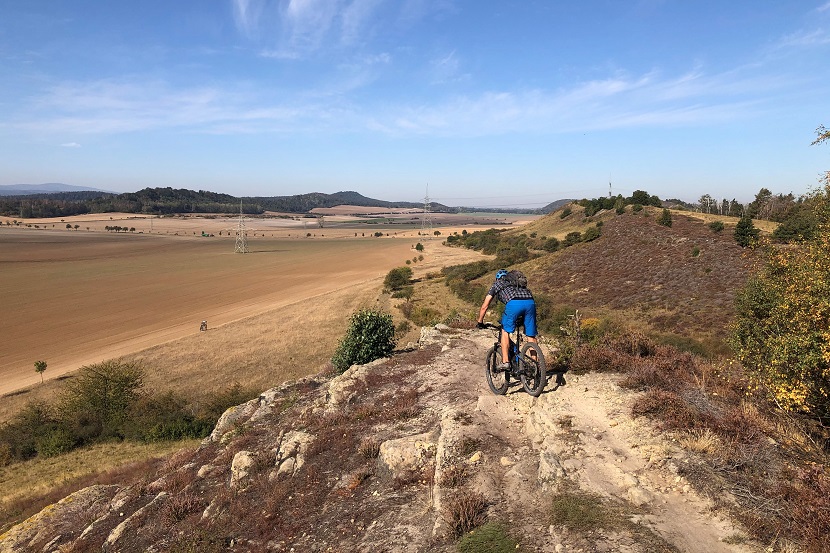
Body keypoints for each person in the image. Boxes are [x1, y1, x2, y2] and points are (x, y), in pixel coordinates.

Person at [477, 269, 538, 371]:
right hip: (530, 301)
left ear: (497, 279)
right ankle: (536, 366)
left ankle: (506, 362)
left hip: (514, 304)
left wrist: (480, 321)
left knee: (504, 331)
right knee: (530, 336)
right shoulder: (514, 283)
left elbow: (485, 306)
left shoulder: (496, 285)